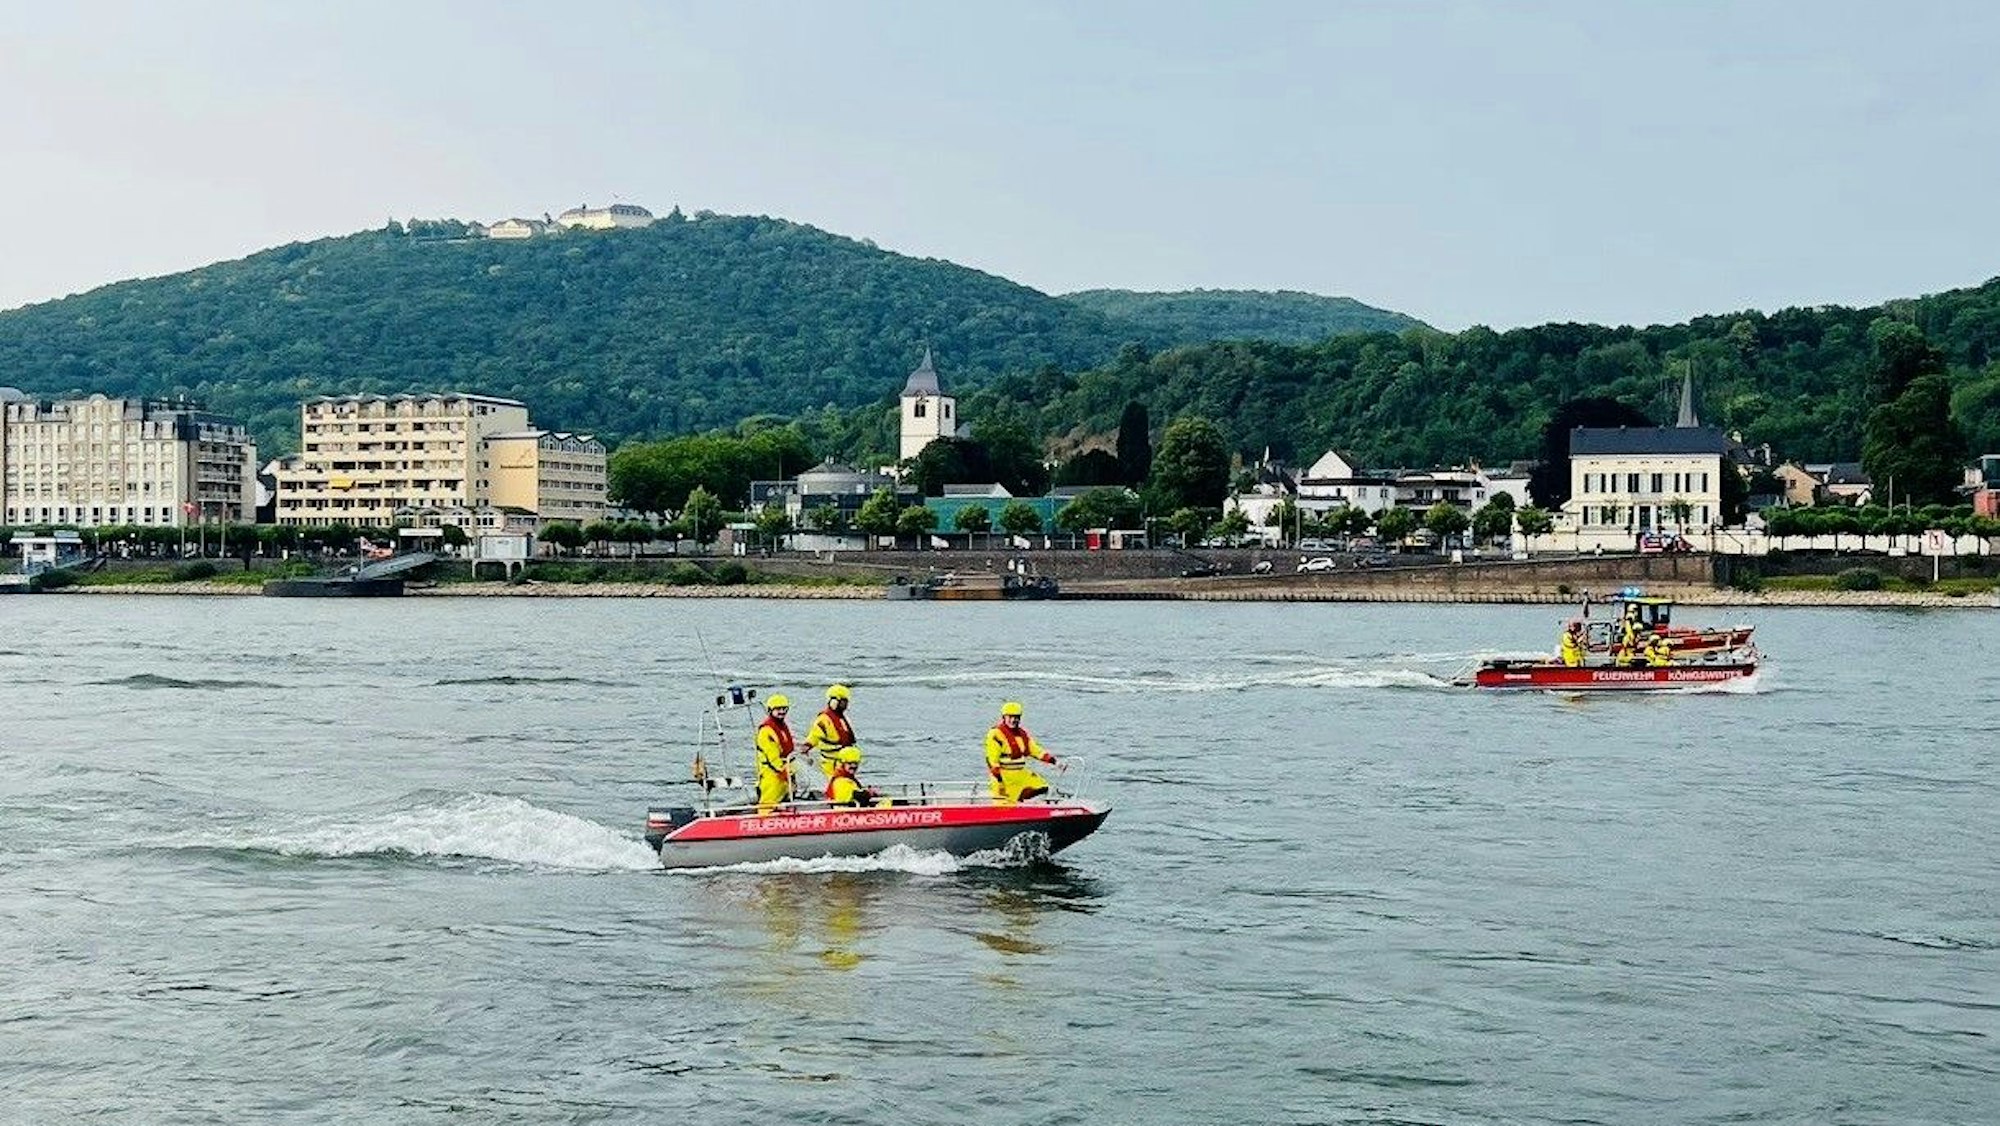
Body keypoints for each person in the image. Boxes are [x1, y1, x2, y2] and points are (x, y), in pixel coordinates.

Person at [985, 701, 1058, 803]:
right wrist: (999, 779)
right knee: (1004, 806)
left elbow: (1035, 750)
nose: (1013, 720)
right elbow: (992, 759)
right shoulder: (995, 734)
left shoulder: (1022, 734)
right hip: (1004, 778)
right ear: (1004, 717)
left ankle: (1023, 800)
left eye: (1016, 717)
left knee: (1043, 787)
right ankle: (1015, 804)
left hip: (1021, 774)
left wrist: (1054, 761)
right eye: (1010, 717)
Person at [755, 694, 800, 814]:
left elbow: (788, 750)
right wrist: (785, 772)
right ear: (770, 710)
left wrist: (791, 774)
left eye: (784, 709)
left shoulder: (782, 727)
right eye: (778, 709)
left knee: (786, 798)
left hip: (785, 772)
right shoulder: (766, 731)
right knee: (768, 805)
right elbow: (773, 757)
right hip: (772, 774)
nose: (782, 712)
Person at [806, 684, 858, 780]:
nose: (845, 705)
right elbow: (814, 736)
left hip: (843, 761)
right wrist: (806, 747)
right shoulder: (824, 719)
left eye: (846, 702)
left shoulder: (841, 718)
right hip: (831, 762)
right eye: (843, 702)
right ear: (834, 702)